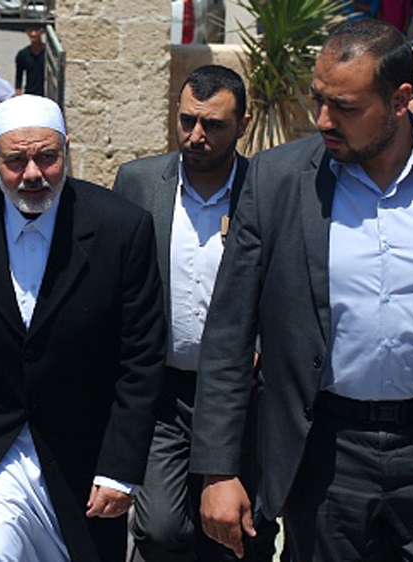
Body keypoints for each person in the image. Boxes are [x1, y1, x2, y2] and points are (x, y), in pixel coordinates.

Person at [192, 18, 413, 561]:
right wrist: (218, 470)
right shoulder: (278, 180)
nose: (323, 120)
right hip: (325, 452)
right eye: (318, 100)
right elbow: (229, 331)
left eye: (345, 107)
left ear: (399, 100)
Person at [0, 94, 166, 561]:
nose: (32, 174)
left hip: (81, 454)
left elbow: (141, 357)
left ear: (67, 150)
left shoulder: (121, 228)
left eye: (47, 157)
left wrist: (121, 467)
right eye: (15, 161)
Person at [114, 65, 277, 562]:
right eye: (187, 121)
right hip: (165, 393)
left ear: (243, 123)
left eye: (213, 125)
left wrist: (261, 349)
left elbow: (287, 284)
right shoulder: (140, 182)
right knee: (160, 528)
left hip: (243, 398)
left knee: (240, 532)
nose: (196, 136)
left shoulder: (268, 189)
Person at [15, 28, 45, 96]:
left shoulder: (48, 54)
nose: (33, 34)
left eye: (36, 31)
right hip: (30, 93)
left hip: (47, 94)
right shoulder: (23, 54)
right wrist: (18, 91)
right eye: (30, 31)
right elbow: (19, 76)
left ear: (42, 32)